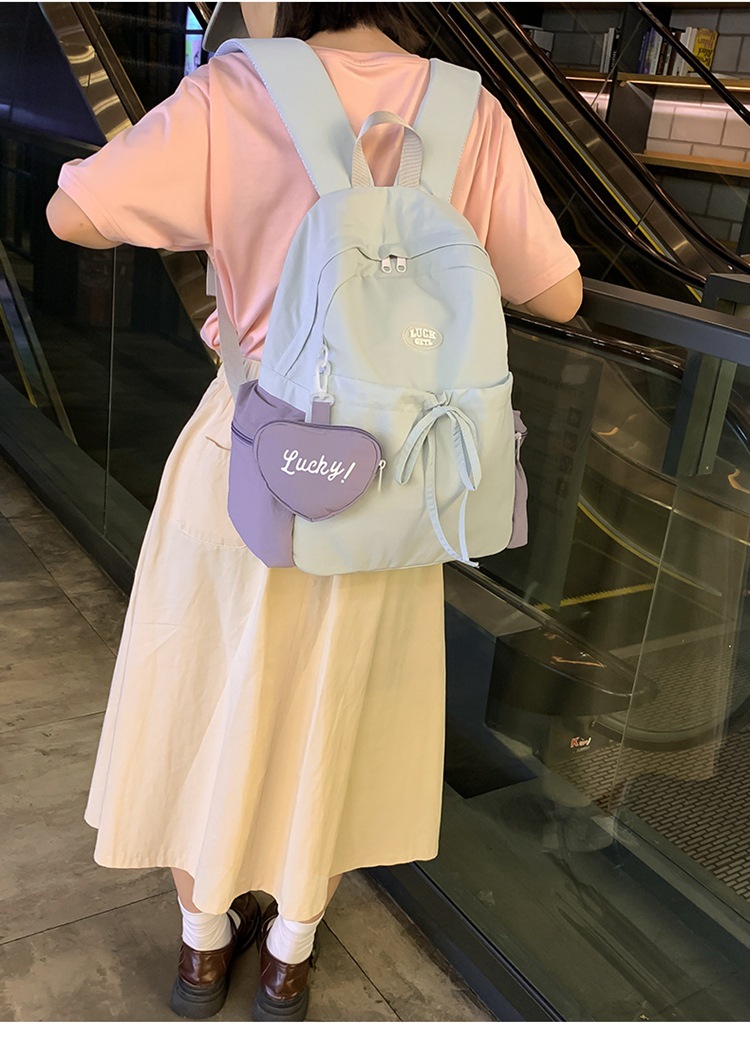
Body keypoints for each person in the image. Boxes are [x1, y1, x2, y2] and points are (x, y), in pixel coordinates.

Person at [46, 0, 583, 1024]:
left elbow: (74, 214)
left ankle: (204, 943)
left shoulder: (234, 89)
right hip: (399, 477)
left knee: (209, 694)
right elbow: (556, 294)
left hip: (251, 452)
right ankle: (289, 956)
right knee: (337, 708)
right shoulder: (472, 111)